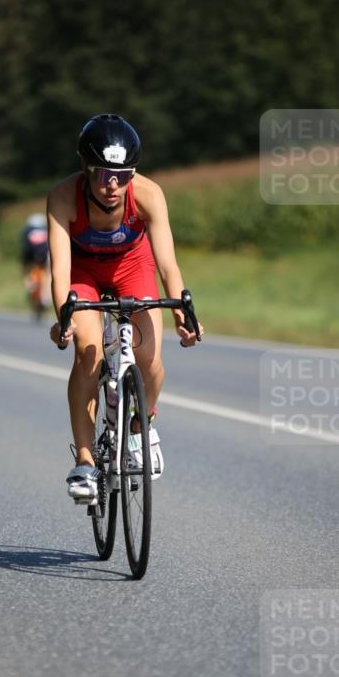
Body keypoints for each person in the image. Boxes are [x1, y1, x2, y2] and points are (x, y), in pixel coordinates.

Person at [47, 113, 202, 502]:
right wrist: (63, 316)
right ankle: (84, 462)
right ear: (85, 168)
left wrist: (183, 312)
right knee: (88, 351)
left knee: (149, 357)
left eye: (123, 174)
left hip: (132, 267)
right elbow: (60, 270)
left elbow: (167, 263)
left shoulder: (148, 194)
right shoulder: (63, 197)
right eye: (102, 174)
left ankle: (139, 425)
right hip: (82, 271)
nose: (113, 184)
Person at [20, 213, 50, 319]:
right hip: (46, 257)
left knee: (30, 279)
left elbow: (24, 251)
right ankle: (45, 297)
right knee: (49, 275)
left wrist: (24, 269)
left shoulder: (27, 231)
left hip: (32, 259)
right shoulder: (47, 229)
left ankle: (31, 289)